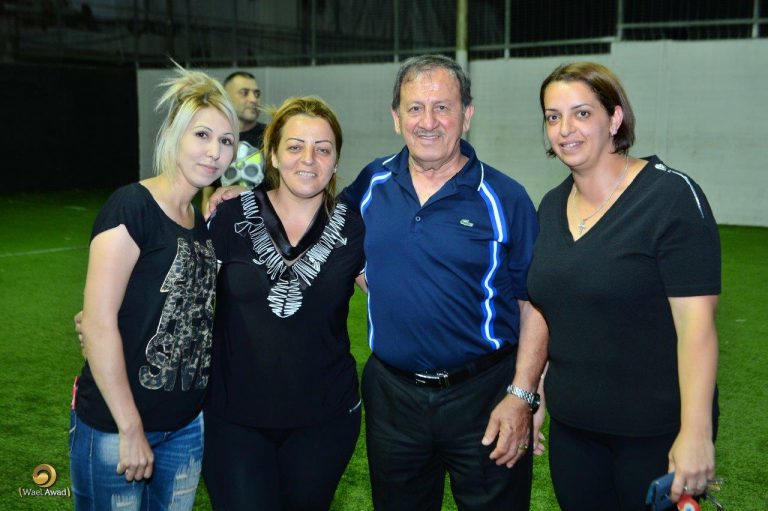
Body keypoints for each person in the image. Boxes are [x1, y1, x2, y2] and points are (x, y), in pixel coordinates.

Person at [338, 54, 548, 510]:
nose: (428, 122)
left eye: (442, 107)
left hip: (485, 396)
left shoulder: (505, 197)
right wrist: (239, 194)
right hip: (392, 397)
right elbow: (320, 218)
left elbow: (535, 305)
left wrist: (524, 395)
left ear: (467, 115)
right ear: (396, 117)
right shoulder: (373, 181)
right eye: (415, 108)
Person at [527, 61, 720, 510]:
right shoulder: (551, 206)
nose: (565, 129)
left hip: (655, 434)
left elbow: (697, 326)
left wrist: (695, 433)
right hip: (574, 433)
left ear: (614, 118)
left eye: (582, 113)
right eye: (553, 117)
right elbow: (555, 311)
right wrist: (537, 394)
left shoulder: (671, 197)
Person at [70, 65, 238, 510]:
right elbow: (98, 323)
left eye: (226, 141)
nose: (215, 152)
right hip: (117, 428)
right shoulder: (132, 206)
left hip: (185, 427)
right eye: (202, 135)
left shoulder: (203, 220)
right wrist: (130, 428)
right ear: (174, 136)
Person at [202, 96, 367, 510]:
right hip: (233, 417)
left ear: (335, 161)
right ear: (273, 155)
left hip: (325, 418)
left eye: (323, 149)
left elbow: (403, 296)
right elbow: (185, 294)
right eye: (295, 146)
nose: (308, 159)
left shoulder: (356, 227)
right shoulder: (229, 216)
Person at [200, 71, 268, 212]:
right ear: (226, 98)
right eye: (244, 93)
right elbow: (208, 192)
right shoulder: (215, 138)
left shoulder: (272, 136)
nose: (253, 99)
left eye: (256, 94)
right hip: (226, 220)